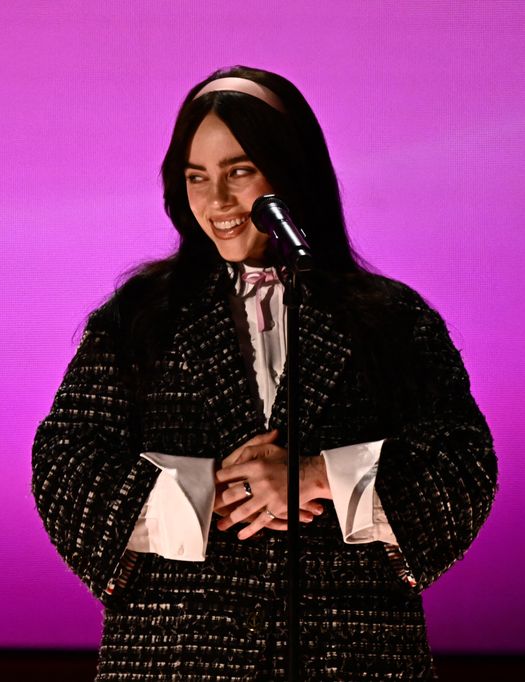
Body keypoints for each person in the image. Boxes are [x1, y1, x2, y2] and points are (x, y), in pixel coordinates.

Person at [32, 65, 497, 680]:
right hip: (177, 657)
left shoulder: (391, 319)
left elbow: (464, 464)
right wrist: (205, 492)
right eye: (197, 177)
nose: (217, 203)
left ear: (291, 173)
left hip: (351, 654)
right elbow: (65, 462)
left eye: (239, 172)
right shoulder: (139, 318)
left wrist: (317, 475)